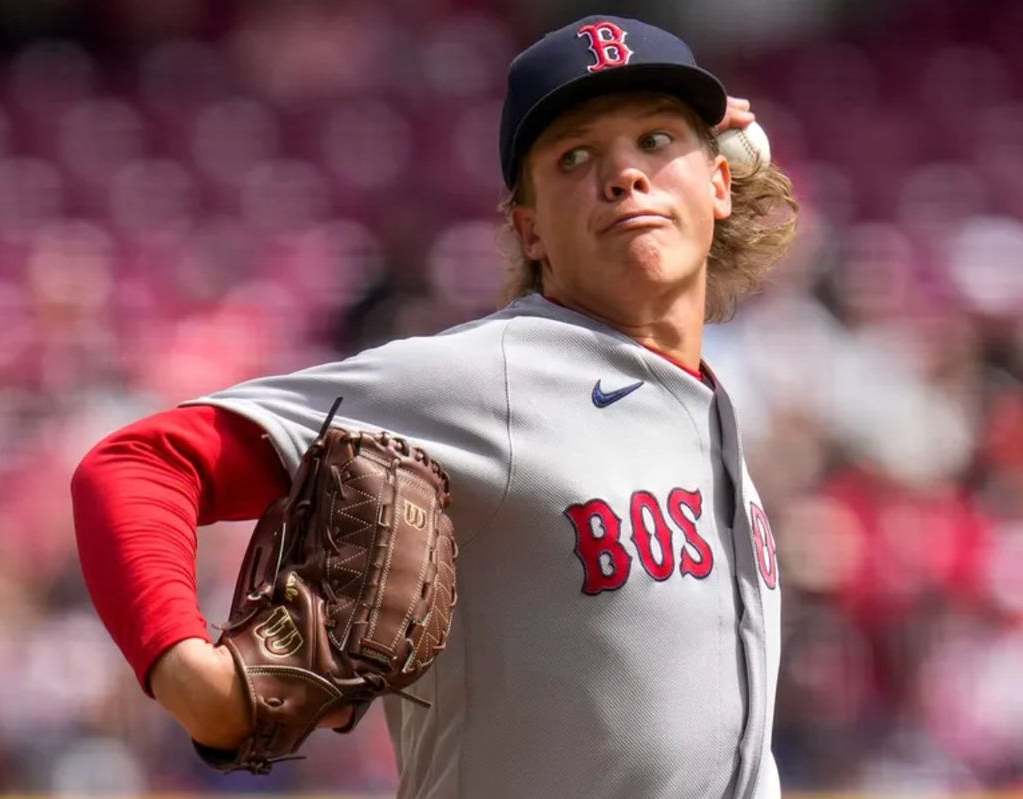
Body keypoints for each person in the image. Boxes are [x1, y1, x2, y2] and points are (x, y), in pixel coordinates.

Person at [71, 14, 798, 799]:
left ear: (720, 183)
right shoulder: (494, 379)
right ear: (530, 231)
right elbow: (138, 465)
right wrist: (189, 676)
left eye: (656, 140)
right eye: (575, 156)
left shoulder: (706, 403)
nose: (624, 174)